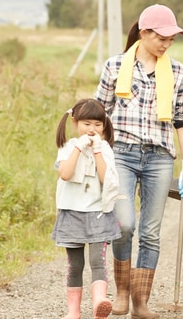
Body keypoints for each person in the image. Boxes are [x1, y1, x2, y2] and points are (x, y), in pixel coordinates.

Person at [94, 4, 183, 319]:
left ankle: (141, 302)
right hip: (121, 153)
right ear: (144, 33)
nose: (166, 44)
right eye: (161, 37)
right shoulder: (115, 66)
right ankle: (121, 291)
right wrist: (90, 150)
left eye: (171, 39)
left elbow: (181, 120)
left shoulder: (176, 71)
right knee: (124, 225)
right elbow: (99, 112)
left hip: (160, 158)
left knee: (150, 231)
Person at [52, 98, 124, 319]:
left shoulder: (105, 150)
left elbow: (105, 178)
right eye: (86, 124)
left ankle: (99, 302)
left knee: (97, 261)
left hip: (98, 213)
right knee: (75, 265)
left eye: (97, 125)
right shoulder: (67, 147)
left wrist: (97, 151)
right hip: (71, 212)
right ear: (75, 122)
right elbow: (65, 173)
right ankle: (73, 312)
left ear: (104, 126)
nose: (92, 130)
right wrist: (78, 147)